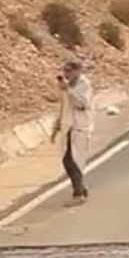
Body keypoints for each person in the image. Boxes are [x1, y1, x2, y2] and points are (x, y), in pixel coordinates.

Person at [51, 60, 93, 206]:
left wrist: (68, 89)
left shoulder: (84, 85)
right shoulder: (66, 87)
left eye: (69, 71)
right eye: (64, 71)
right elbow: (63, 107)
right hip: (67, 127)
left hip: (79, 127)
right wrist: (56, 127)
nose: (66, 74)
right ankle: (80, 188)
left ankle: (79, 193)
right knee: (68, 160)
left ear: (77, 71)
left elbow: (82, 104)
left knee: (74, 160)